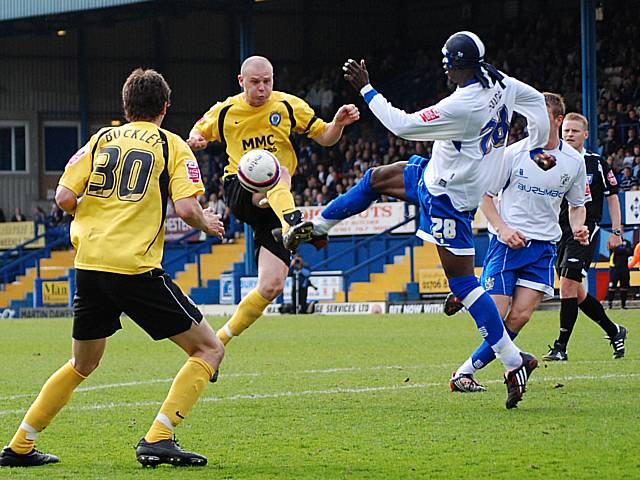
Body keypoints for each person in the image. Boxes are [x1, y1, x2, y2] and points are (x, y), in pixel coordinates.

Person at [295, 31, 551, 408]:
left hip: (448, 197)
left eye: (446, 58)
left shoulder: (464, 105)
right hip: (438, 175)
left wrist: (367, 89)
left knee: (464, 283)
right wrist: (536, 146)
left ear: (454, 64)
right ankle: (320, 226)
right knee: (375, 179)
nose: (442, 63)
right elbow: (537, 106)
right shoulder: (499, 80)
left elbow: (403, 125)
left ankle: (513, 362)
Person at [0, 69, 225, 468]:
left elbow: (65, 196)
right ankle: (159, 437)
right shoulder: (171, 145)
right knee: (209, 348)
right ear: (165, 107)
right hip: (133, 267)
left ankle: (19, 445)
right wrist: (206, 222)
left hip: (89, 263)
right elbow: (187, 208)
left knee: (82, 363)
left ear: (126, 107)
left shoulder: (101, 139)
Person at [187, 56, 359, 346]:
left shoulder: (289, 106)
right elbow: (197, 131)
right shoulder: (226, 110)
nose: (262, 88)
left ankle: (219, 340)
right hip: (240, 189)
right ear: (242, 82)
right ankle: (292, 223)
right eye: (255, 82)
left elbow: (325, 137)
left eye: (267, 81)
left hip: (274, 203)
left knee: (271, 285)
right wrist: (197, 140)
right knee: (275, 170)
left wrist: (338, 124)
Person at [449, 93, 589, 392]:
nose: (531, 122)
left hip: (543, 248)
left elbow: (577, 204)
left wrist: (578, 227)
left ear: (557, 119)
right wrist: (502, 228)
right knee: (496, 313)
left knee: (521, 316)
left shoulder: (574, 162)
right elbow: (485, 196)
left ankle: (463, 372)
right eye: (529, 116)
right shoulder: (512, 153)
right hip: (507, 244)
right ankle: (470, 296)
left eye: (539, 115)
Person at [544, 112, 628, 361]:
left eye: (574, 131)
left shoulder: (597, 163)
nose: (569, 134)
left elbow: (612, 195)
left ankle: (561, 346)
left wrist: (616, 230)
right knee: (575, 292)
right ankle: (615, 331)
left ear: (586, 135)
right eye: (566, 130)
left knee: (568, 285)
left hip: (584, 229)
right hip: (557, 230)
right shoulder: (551, 160)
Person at [607, 237, 634, 309]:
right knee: (612, 286)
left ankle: (623, 305)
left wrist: (621, 250)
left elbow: (630, 252)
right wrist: (623, 250)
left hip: (625, 268)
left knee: (624, 286)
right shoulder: (612, 241)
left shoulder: (627, 242)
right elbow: (614, 250)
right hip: (614, 268)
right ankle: (610, 305)